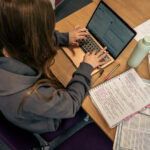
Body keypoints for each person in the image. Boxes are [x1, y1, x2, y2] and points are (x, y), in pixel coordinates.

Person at [0, 0, 108, 134]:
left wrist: (64, 38)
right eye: (48, 31)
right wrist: (86, 67)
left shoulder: (8, 42)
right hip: (46, 120)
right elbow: (71, 104)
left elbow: (28, 38)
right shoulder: (31, 97)